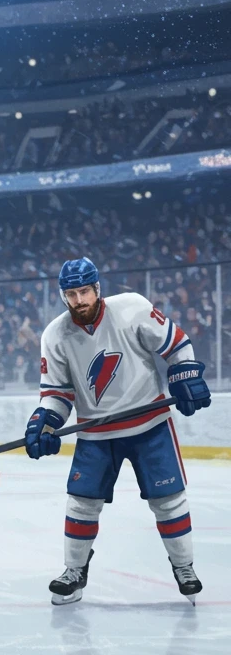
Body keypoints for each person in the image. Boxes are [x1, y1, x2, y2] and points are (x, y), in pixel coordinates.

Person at [27, 256, 209, 604]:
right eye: (71, 294)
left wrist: (185, 375)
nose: (79, 300)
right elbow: (57, 395)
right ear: (63, 296)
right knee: (81, 505)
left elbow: (177, 346)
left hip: (150, 427)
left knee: (169, 502)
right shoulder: (55, 334)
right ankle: (74, 571)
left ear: (97, 288)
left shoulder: (132, 308)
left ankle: (184, 567)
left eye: (84, 291)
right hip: (96, 436)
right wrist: (45, 422)